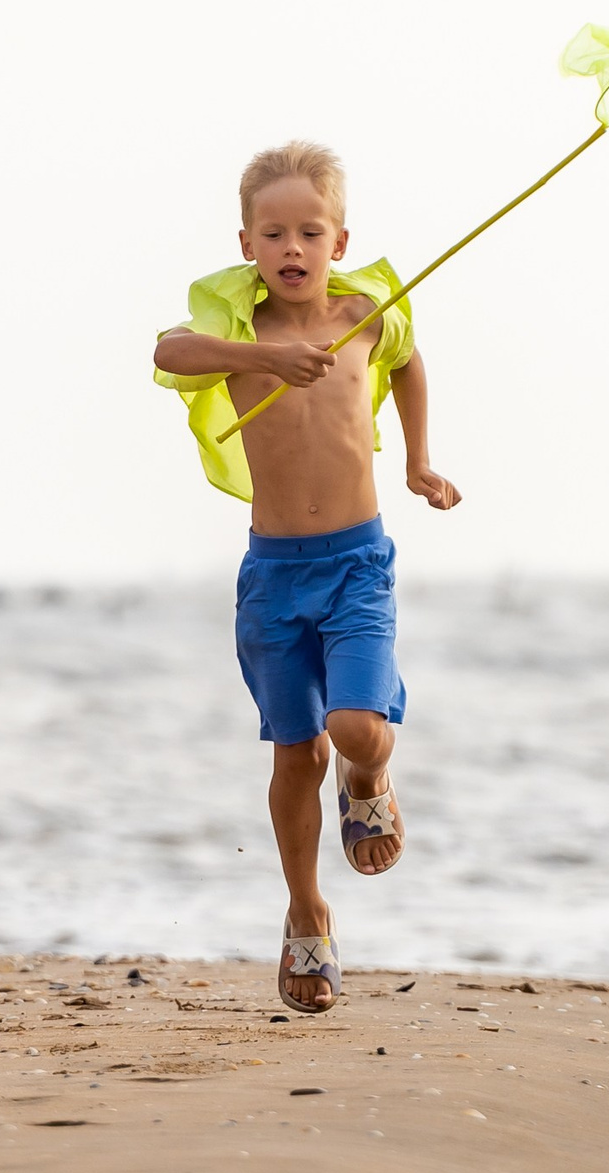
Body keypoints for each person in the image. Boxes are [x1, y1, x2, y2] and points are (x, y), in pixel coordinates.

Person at [153, 140, 461, 1013]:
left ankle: (369, 781)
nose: (293, 248)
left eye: (310, 232)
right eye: (274, 232)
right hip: (273, 572)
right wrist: (260, 361)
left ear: (339, 240)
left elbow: (407, 362)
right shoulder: (236, 331)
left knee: (356, 727)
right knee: (297, 750)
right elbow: (170, 351)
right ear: (247, 243)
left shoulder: (367, 314)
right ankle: (307, 911)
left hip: (358, 561)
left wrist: (419, 461)